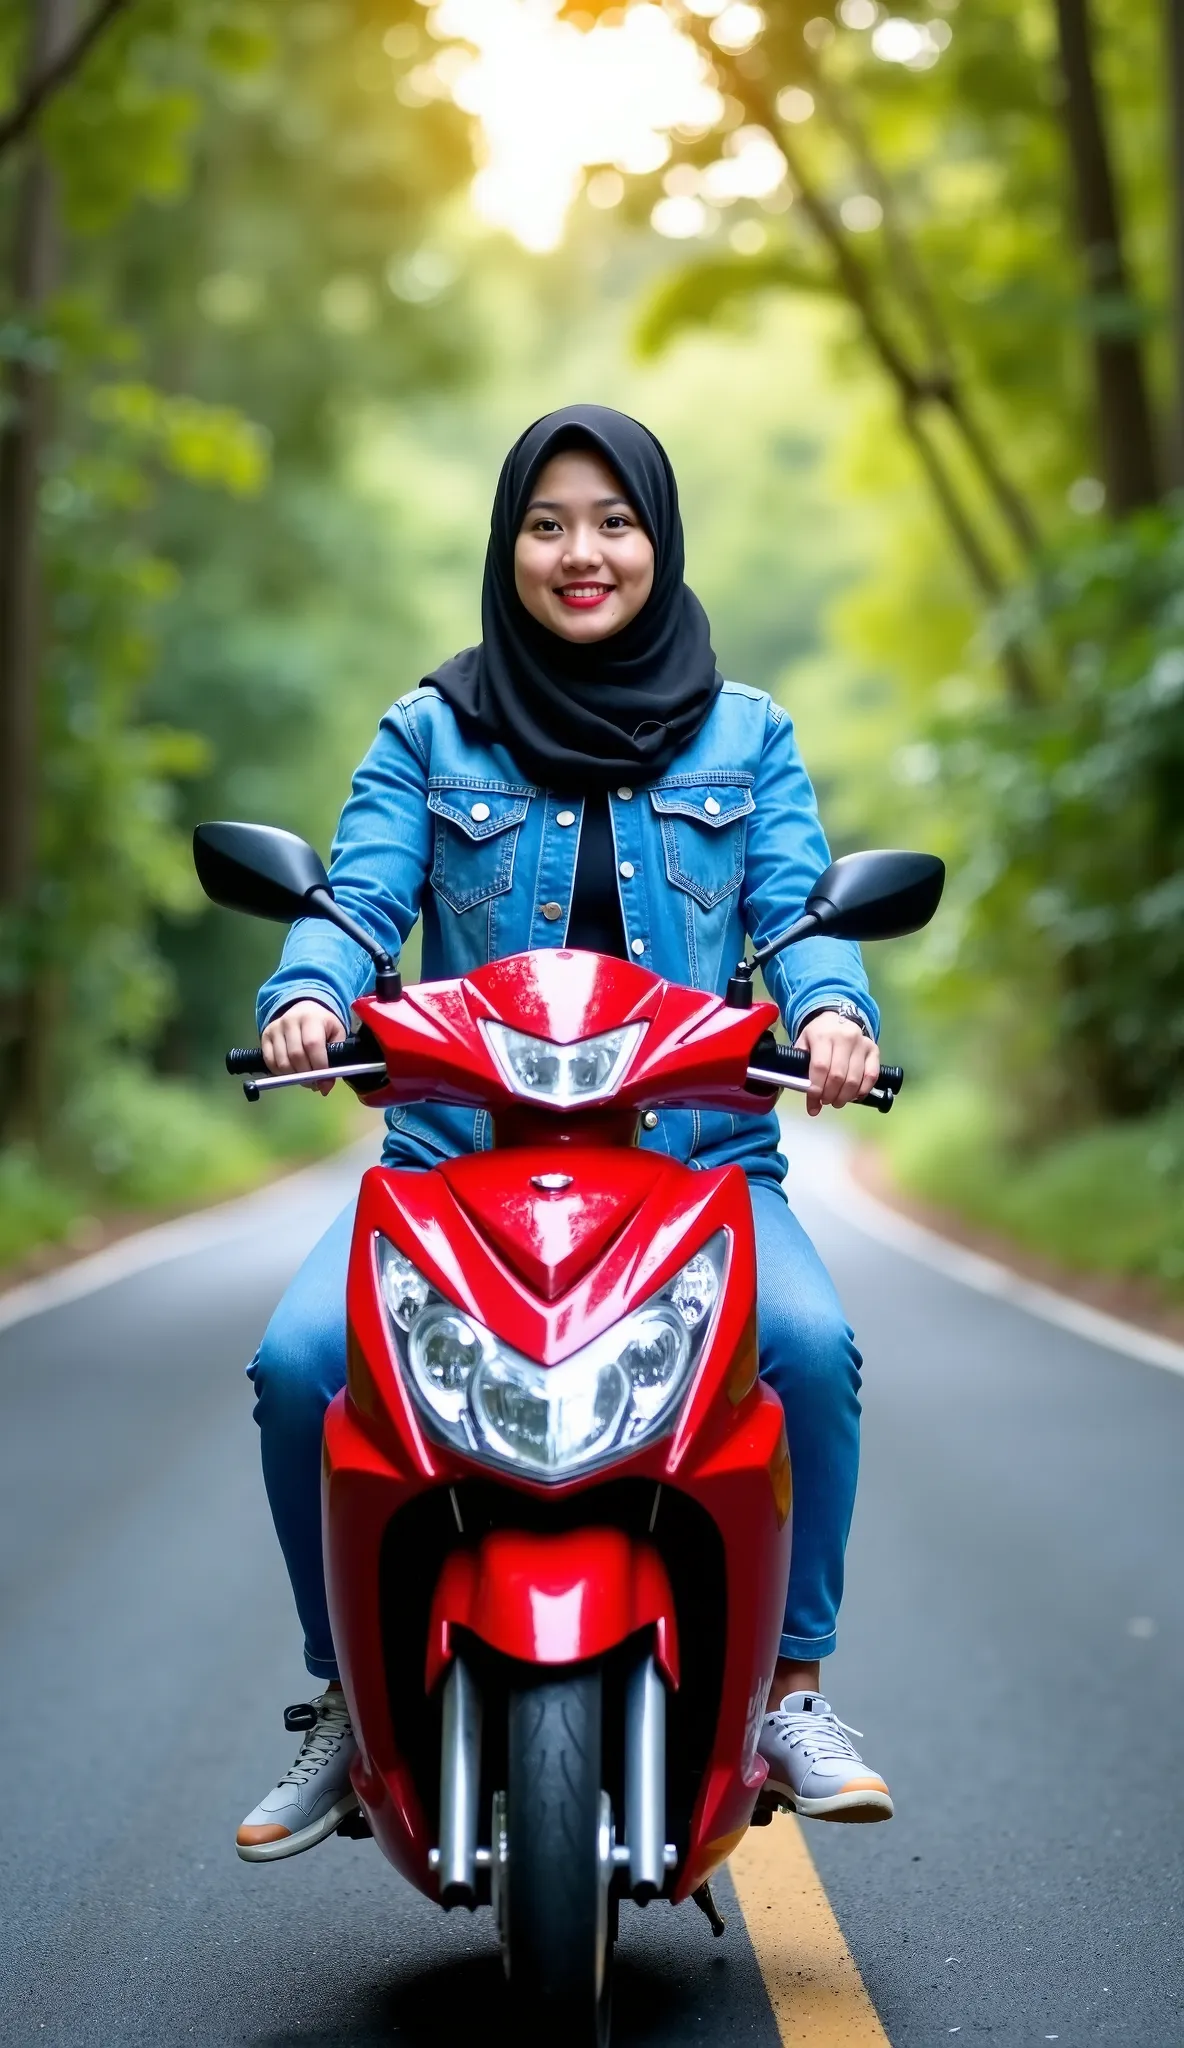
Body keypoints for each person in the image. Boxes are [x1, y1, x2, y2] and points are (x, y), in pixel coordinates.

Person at [235, 403, 892, 1862]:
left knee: (811, 1353)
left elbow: (794, 911)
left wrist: (834, 1014)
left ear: (658, 538)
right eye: (548, 524)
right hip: (454, 1171)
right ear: (506, 546)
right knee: (296, 1366)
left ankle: (793, 1685)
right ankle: (344, 1695)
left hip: (695, 1172)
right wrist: (307, 995)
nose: (581, 553)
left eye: (613, 521)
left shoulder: (751, 732)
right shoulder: (430, 727)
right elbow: (354, 897)